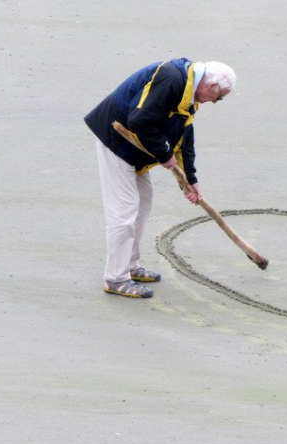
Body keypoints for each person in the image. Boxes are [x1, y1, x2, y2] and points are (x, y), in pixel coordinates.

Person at [84, 58, 236, 298]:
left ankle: (129, 266)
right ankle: (115, 278)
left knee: (143, 201)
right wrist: (165, 155)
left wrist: (189, 180)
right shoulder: (172, 79)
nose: (216, 102)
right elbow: (139, 120)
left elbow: (183, 136)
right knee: (124, 210)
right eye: (219, 97)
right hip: (115, 141)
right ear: (212, 86)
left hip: (134, 148)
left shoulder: (189, 94)